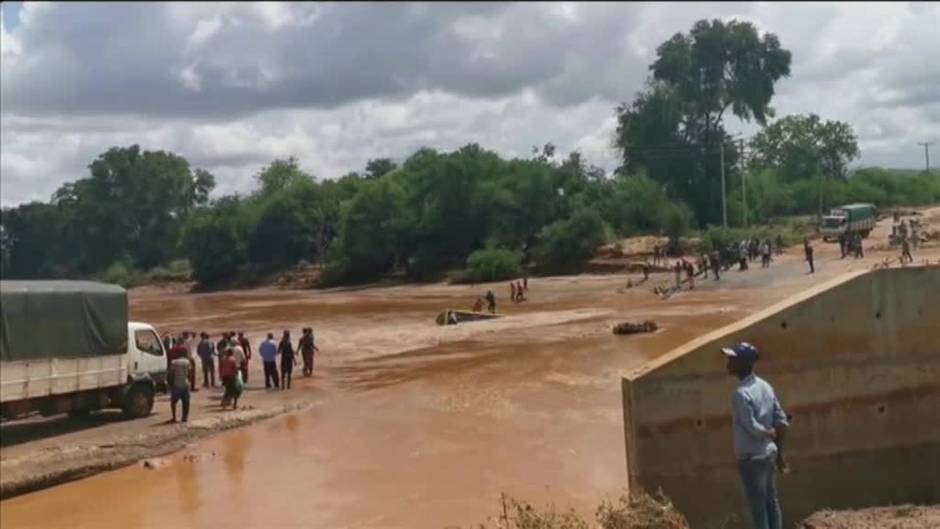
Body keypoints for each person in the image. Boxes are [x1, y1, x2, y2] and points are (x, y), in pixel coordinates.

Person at [721, 342, 789, 529]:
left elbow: (751, 427)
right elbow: (782, 421)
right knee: (771, 501)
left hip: (751, 459)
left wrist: (767, 432)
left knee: (758, 507)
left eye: (732, 359)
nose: (728, 363)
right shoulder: (765, 386)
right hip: (769, 454)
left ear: (744, 363)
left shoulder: (741, 394)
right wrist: (780, 454)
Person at [168, 349, 192, 423]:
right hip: (185, 384)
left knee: (173, 402)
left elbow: (171, 374)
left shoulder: (173, 362)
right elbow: (190, 372)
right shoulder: (187, 362)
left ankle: (174, 417)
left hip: (176, 384)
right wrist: (189, 381)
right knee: (186, 402)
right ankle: (184, 417)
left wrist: (170, 384)